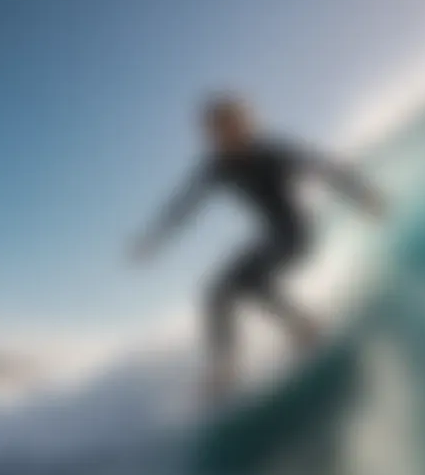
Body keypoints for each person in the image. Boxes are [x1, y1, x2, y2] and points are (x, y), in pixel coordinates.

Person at [129, 95, 386, 399]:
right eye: (214, 132)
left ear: (245, 125)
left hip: (297, 233)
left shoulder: (270, 153)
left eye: (229, 127)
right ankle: (233, 363)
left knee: (248, 282)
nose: (221, 137)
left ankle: (301, 327)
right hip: (272, 237)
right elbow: (185, 204)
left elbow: (323, 168)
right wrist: (155, 237)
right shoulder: (218, 167)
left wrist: (362, 194)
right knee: (217, 291)